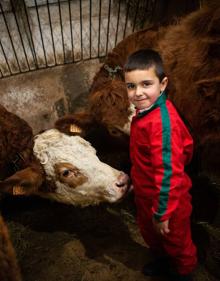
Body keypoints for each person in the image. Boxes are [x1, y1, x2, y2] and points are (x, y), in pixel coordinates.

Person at [124, 48, 197, 281]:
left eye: (146, 84)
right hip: (147, 195)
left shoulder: (162, 125)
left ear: (163, 84)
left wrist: (163, 212)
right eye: (131, 86)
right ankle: (163, 262)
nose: (138, 93)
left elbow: (169, 172)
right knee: (152, 235)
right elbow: (144, 158)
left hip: (168, 202)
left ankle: (184, 273)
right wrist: (138, 182)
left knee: (176, 241)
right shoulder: (143, 112)